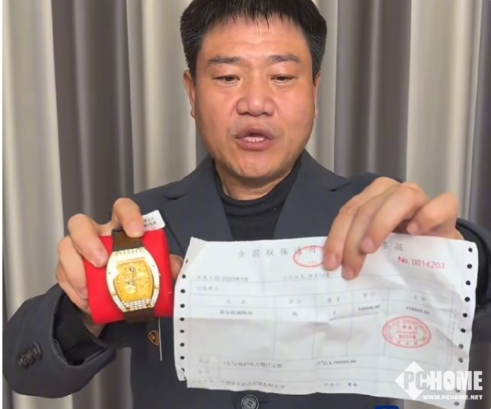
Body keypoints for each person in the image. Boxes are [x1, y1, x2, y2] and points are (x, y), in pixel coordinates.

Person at [3, 0, 491, 408]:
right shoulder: (140, 228)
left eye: (282, 76)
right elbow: (24, 367)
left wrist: (462, 262)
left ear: (315, 92)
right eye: (227, 77)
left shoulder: (376, 219)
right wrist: (80, 310)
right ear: (192, 92)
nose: (255, 101)